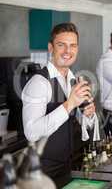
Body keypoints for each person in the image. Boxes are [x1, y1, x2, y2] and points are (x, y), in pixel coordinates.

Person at [22, 23, 97, 187]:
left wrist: (87, 116)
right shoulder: (39, 83)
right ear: (51, 47)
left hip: (70, 164)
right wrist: (69, 104)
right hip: (43, 170)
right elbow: (32, 133)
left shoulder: (73, 80)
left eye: (73, 46)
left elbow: (73, 122)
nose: (67, 51)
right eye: (61, 45)